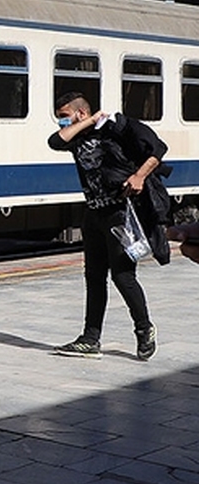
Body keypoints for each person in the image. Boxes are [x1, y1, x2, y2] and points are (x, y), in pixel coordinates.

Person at [49, 92, 166, 360]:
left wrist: (138, 176)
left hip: (120, 213)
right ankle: (90, 339)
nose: (61, 124)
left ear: (79, 113)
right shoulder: (77, 136)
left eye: (64, 117)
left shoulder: (118, 127)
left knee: (123, 276)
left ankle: (144, 329)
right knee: (94, 277)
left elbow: (158, 149)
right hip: (93, 213)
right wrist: (85, 122)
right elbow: (55, 141)